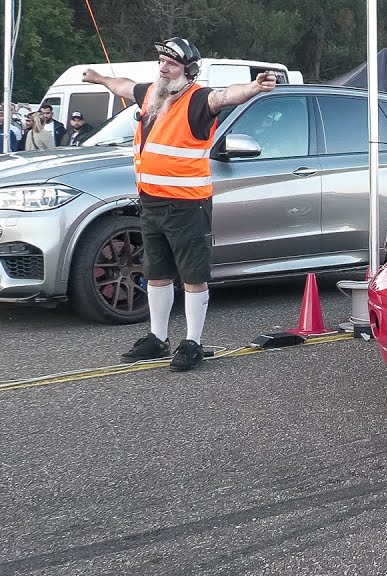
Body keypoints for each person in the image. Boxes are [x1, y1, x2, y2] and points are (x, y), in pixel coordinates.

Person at [83, 37, 278, 371]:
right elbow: (125, 85)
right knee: (156, 274)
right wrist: (100, 78)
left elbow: (226, 96)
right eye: (160, 61)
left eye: (171, 64)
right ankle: (157, 339)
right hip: (152, 203)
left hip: (187, 205)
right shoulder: (152, 94)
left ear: (188, 71)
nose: (163, 68)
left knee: (192, 276)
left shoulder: (199, 99)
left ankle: (193, 343)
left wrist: (254, 88)